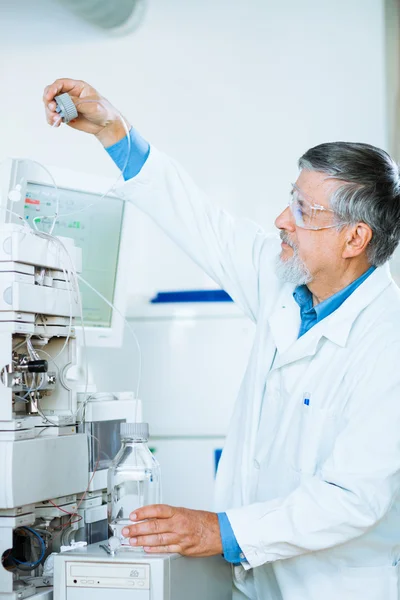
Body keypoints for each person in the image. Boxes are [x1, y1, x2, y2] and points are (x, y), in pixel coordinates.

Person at [44, 79, 400, 600]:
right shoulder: (285, 279)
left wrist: (220, 530)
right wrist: (112, 129)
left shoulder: (386, 341)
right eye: (289, 201)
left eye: (304, 211)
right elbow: (202, 223)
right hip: (255, 586)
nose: (282, 221)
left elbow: (352, 498)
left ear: (354, 238)